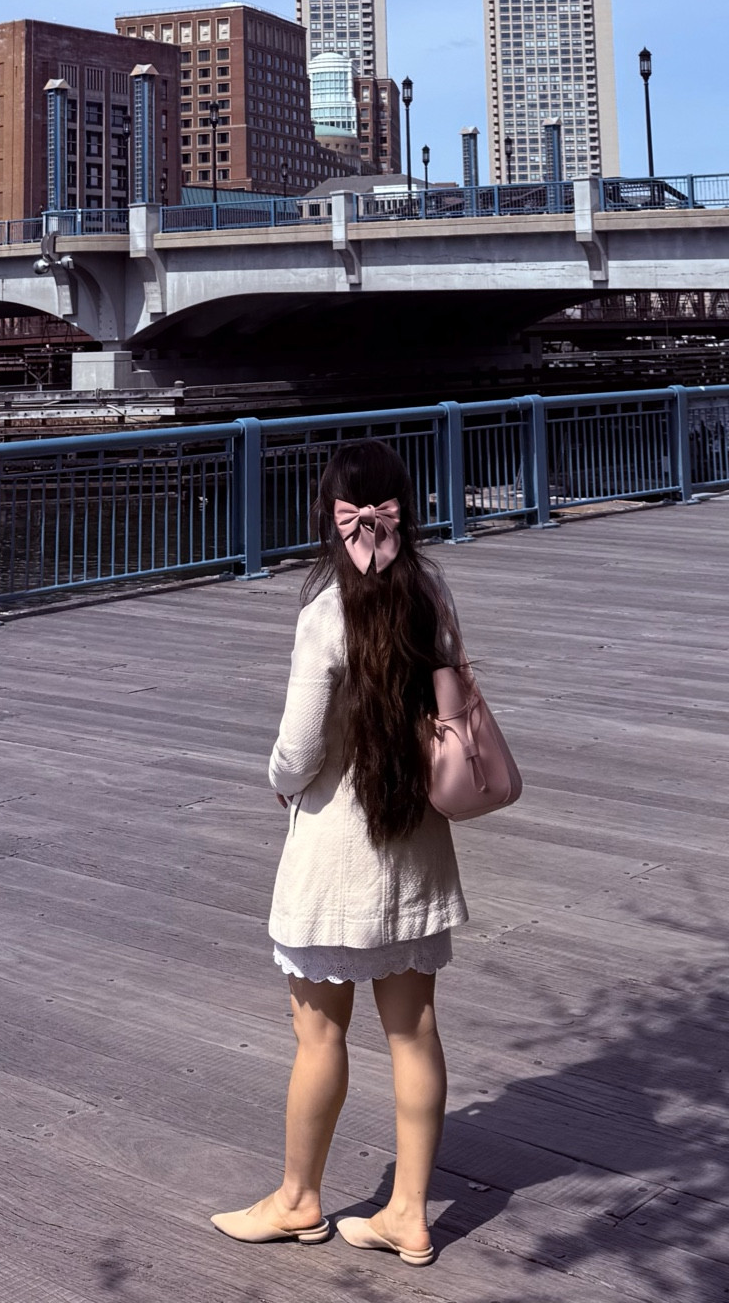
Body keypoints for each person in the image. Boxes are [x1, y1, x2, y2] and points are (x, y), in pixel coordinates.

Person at [211, 438, 468, 1269]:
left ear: (332, 514)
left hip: (339, 854)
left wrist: (278, 779)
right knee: (415, 1031)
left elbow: (296, 751)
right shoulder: (433, 594)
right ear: (405, 511)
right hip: (417, 843)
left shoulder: (325, 612)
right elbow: (452, 707)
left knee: (319, 1035)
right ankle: (410, 1215)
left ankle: (298, 1200)